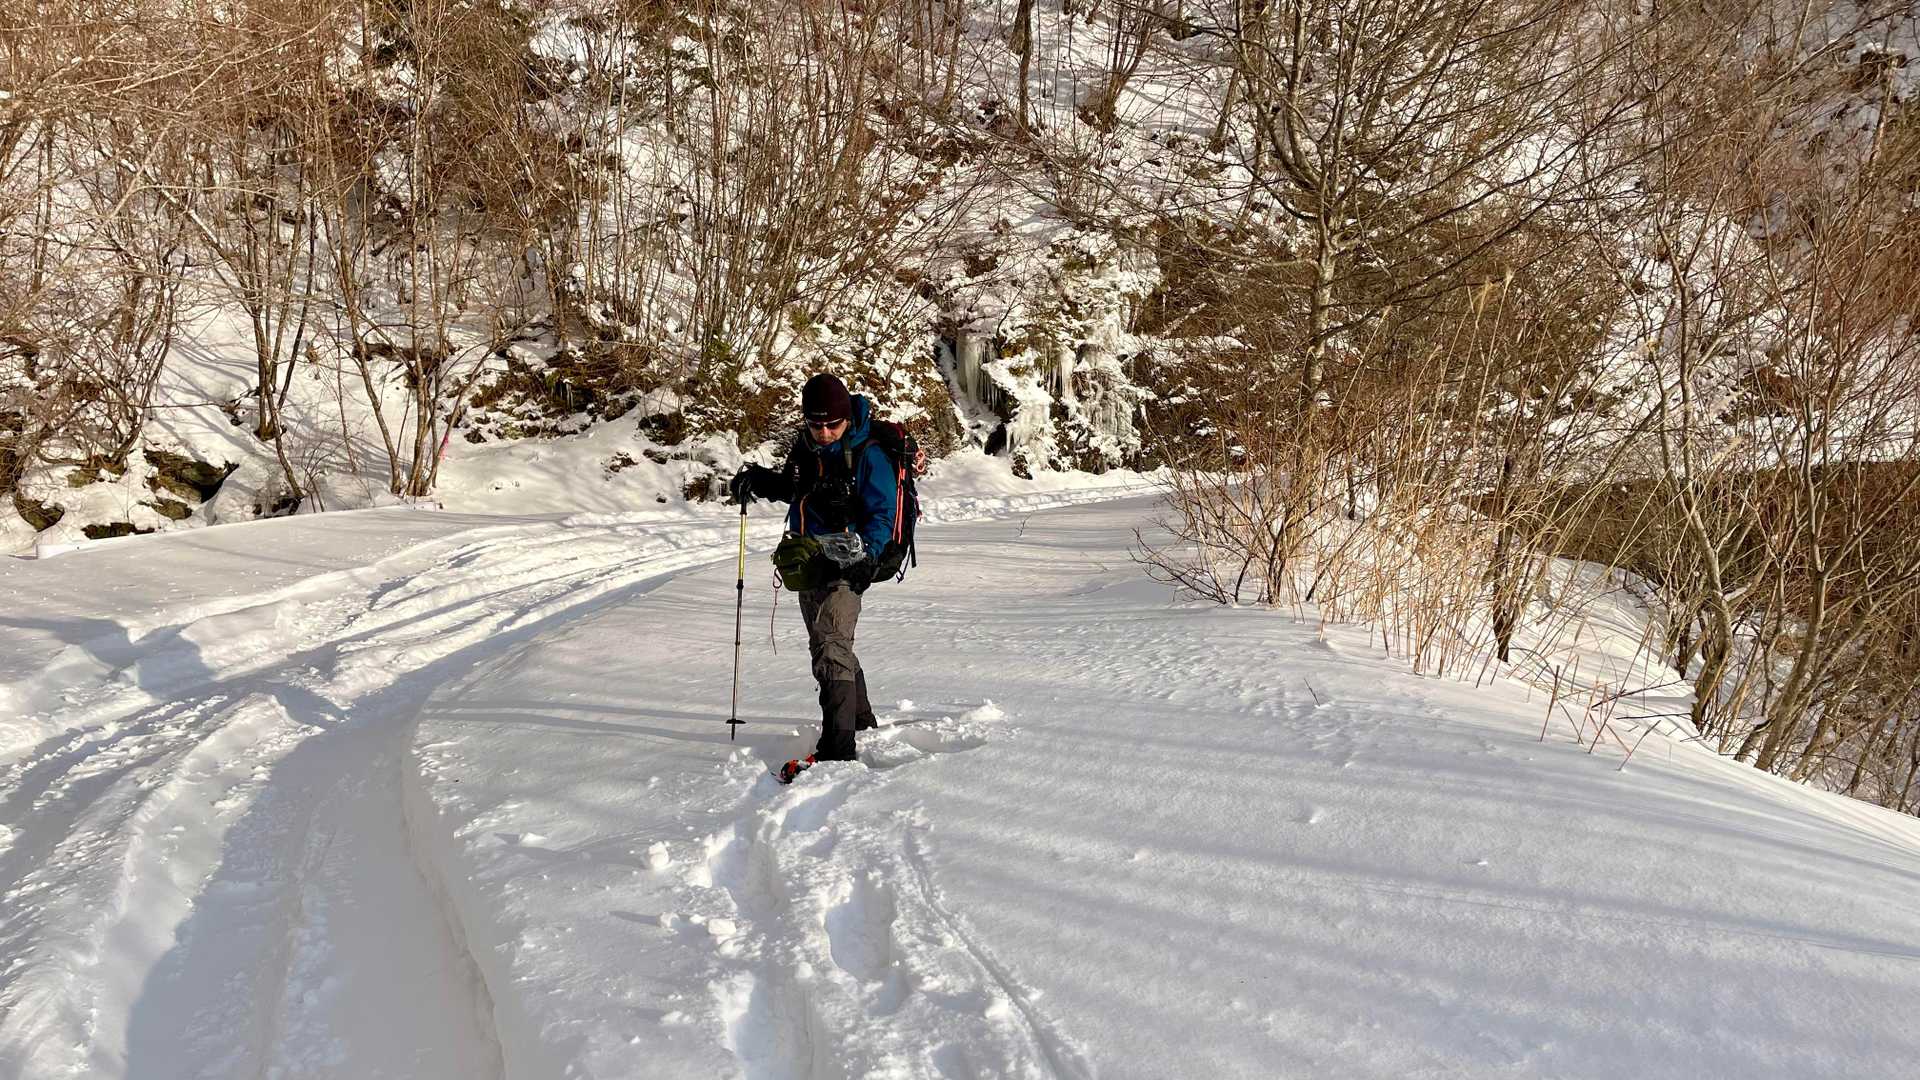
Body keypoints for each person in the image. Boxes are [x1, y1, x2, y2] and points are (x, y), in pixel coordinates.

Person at [729, 373, 896, 782]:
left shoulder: (868, 454)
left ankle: (838, 752)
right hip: (809, 561)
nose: (823, 432)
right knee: (827, 643)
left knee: (831, 648)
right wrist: (760, 481)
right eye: (815, 424)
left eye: (832, 425)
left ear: (845, 419)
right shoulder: (805, 445)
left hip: (850, 562)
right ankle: (860, 722)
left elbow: (882, 513)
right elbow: (796, 487)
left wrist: (868, 558)